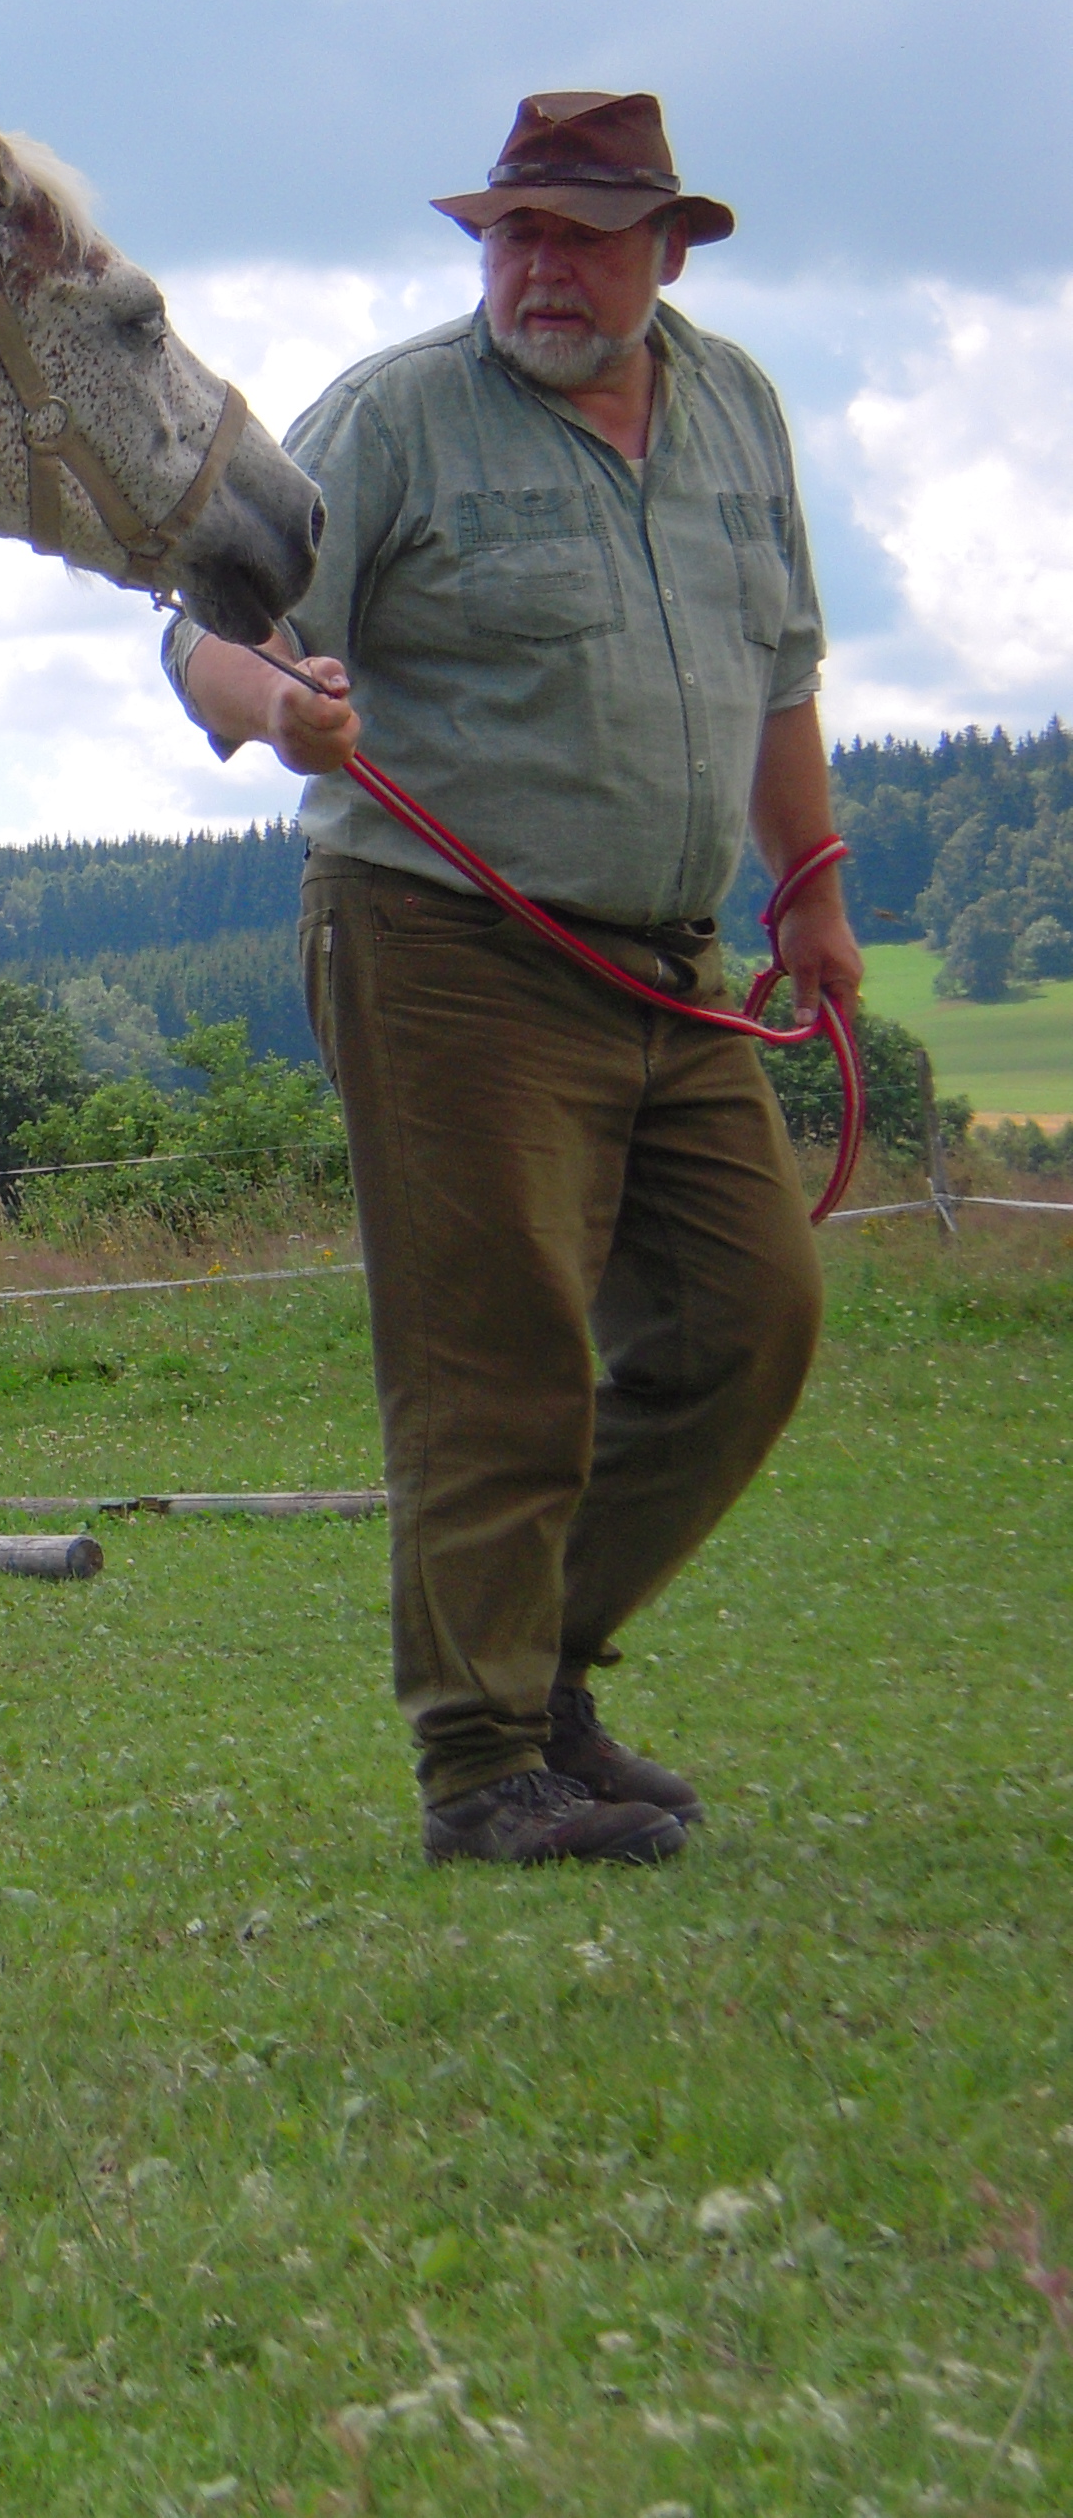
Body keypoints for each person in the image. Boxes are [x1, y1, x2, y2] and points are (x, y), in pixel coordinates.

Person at [166, 91, 861, 1869]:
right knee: (501, 1361)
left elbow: (781, 675)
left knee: (750, 1321)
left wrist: (813, 893)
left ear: (668, 251)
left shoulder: (739, 408)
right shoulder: (395, 415)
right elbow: (208, 630)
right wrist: (284, 705)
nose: (540, 268)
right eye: (513, 233)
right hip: (445, 952)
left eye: (582, 236)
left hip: (676, 964)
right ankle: (482, 1766)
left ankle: (540, 1670)